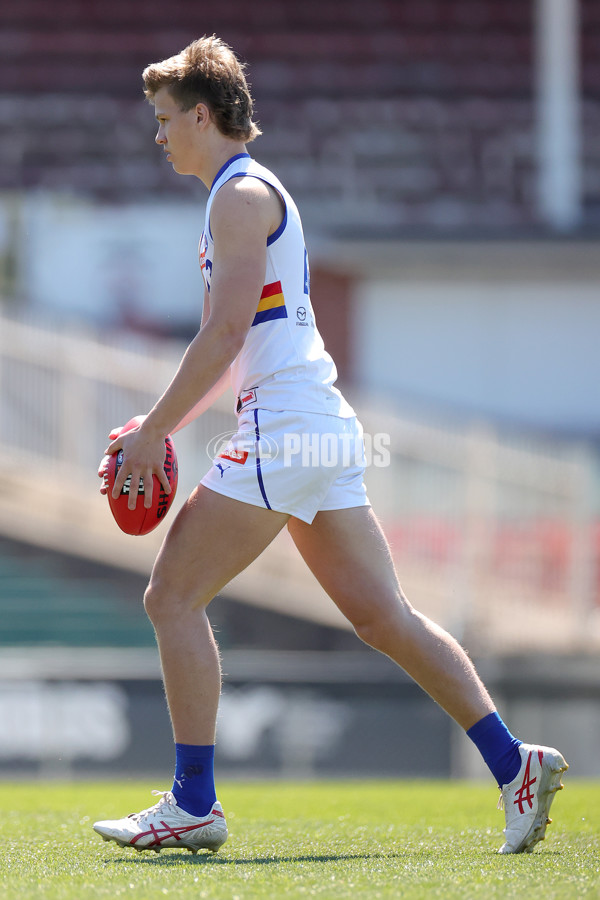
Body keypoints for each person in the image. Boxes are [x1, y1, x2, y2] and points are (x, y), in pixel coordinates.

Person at [93, 35, 567, 856]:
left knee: (171, 596)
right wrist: (156, 426)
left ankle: (193, 803)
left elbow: (225, 331)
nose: (159, 135)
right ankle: (513, 762)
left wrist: (158, 433)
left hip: (289, 427)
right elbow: (236, 345)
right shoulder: (243, 193)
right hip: (313, 425)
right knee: (385, 619)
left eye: (166, 119)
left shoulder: (237, 198)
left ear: (202, 114)